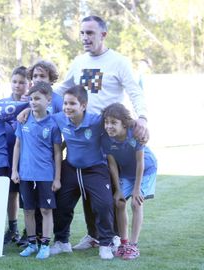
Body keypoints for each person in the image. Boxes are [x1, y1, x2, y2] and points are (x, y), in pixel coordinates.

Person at [53, 15, 150, 250]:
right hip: (81, 134)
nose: (85, 37)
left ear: (103, 34)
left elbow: (134, 92)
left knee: (106, 187)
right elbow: (61, 90)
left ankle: (115, 237)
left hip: (106, 132)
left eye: (90, 33)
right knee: (85, 184)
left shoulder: (118, 61)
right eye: (82, 33)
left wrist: (143, 118)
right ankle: (93, 234)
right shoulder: (78, 61)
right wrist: (32, 104)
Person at [50, 85, 115, 260]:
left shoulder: (96, 121)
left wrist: (139, 125)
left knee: (103, 205)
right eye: (65, 103)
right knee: (61, 205)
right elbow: (39, 115)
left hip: (95, 169)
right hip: (70, 168)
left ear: (83, 105)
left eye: (72, 103)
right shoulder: (59, 118)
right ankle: (62, 242)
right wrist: (24, 113)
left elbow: (117, 121)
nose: (67, 107)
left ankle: (106, 243)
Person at [11, 82, 62, 259]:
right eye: (31, 99)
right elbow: (17, 146)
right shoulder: (23, 120)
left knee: (46, 210)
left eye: (37, 99)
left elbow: (57, 152)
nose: (33, 102)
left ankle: (45, 244)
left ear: (48, 100)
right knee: (28, 211)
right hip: (25, 174)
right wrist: (14, 171)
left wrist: (57, 178)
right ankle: (32, 243)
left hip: (45, 175)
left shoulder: (54, 123)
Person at [101, 103, 157, 260]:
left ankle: (133, 245)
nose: (109, 126)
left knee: (135, 202)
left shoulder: (135, 135)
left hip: (146, 171)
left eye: (113, 122)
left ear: (124, 124)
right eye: (106, 122)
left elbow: (140, 162)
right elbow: (112, 164)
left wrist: (136, 189)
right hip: (126, 173)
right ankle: (124, 243)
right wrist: (118, 189)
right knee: (119, 203)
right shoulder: (106, 139)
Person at [2, 66, 29, 245]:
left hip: (28, 156)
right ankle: (12, 229)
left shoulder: (31, 103)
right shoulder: (2, 104)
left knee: (27, 196)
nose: (17, 85)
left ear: (29, 84)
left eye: (22, 82)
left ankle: (30, 231)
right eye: (14, 82)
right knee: (11, 193)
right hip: (8, 154)